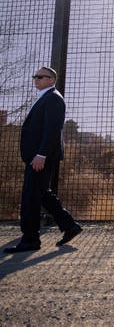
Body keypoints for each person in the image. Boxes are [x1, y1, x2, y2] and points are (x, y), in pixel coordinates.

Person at [3, 66, 82, 253]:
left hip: (41, 156)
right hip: (38, 155)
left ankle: (30, 240)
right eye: (35, 76)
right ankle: (69, 226)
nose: (36, 79)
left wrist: (41, 154)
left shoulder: (53, 98)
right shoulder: (45, 98)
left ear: (51, 80)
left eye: (40, 76)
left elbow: (52, 130)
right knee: (41, 193)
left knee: (31, 196)